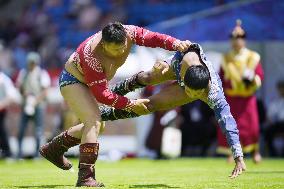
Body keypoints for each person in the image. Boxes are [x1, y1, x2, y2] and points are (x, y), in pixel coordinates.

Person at [42, 41, 246, 179]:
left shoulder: (213, 93)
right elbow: (165, 44)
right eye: (191, 92)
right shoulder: (182, 61)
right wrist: (160, 65)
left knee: (149, 105)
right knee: (148, 77)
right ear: (184, 79)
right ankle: (109, 96)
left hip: (196, 79)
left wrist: (238, 156)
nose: (192, 97)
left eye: (196, 94)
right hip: (177, 65)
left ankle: (101, 113)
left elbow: (227, 121)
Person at [39, 22, 191, 187]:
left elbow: (154, 38)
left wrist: (176, 43)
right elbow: (103, 95)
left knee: (99, 126)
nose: (119, 53)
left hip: (89, 83)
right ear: (103, 45)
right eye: (115, 49)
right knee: (94, 122)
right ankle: (85, 178)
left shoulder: (129, 32)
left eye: (122, 47)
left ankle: (53, 149)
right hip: (73, 80)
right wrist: (131, 104)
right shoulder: (90, 54)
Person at [217, 20, 264, 163]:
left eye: (240, 38)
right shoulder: (226, 58)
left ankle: (255, 151)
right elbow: (221, 78)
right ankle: (233, 153)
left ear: (244, 40)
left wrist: (253, 80)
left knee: (252, 127)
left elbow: (259, 75)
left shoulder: (252, 57)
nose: (237, 41)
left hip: (247, 98)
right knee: (231, 126)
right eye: (234, 38)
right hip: (231, 99)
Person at [16, 52, 51, 159]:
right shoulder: (24, 73)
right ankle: (19, 153)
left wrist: (34, 102)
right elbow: (20, 86)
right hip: (26, 104)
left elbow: (45, 91)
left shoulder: (41, 73)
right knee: (21, 129)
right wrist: (25, 95)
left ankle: (37, 153)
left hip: (38, 105)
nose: (32, 65)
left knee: (38, 130)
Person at [0, 70, 18, 159]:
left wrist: (2, 105)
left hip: (1, 109)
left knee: (2, 130)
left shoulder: (3, 79)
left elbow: (11, 95)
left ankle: (7, 151)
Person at [265, 80, 284, 156]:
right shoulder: (275, 101)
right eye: (280, 88)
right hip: (278, 124)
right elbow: (269, 116)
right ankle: (273, 154)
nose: (282, 90)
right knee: (268, 132)